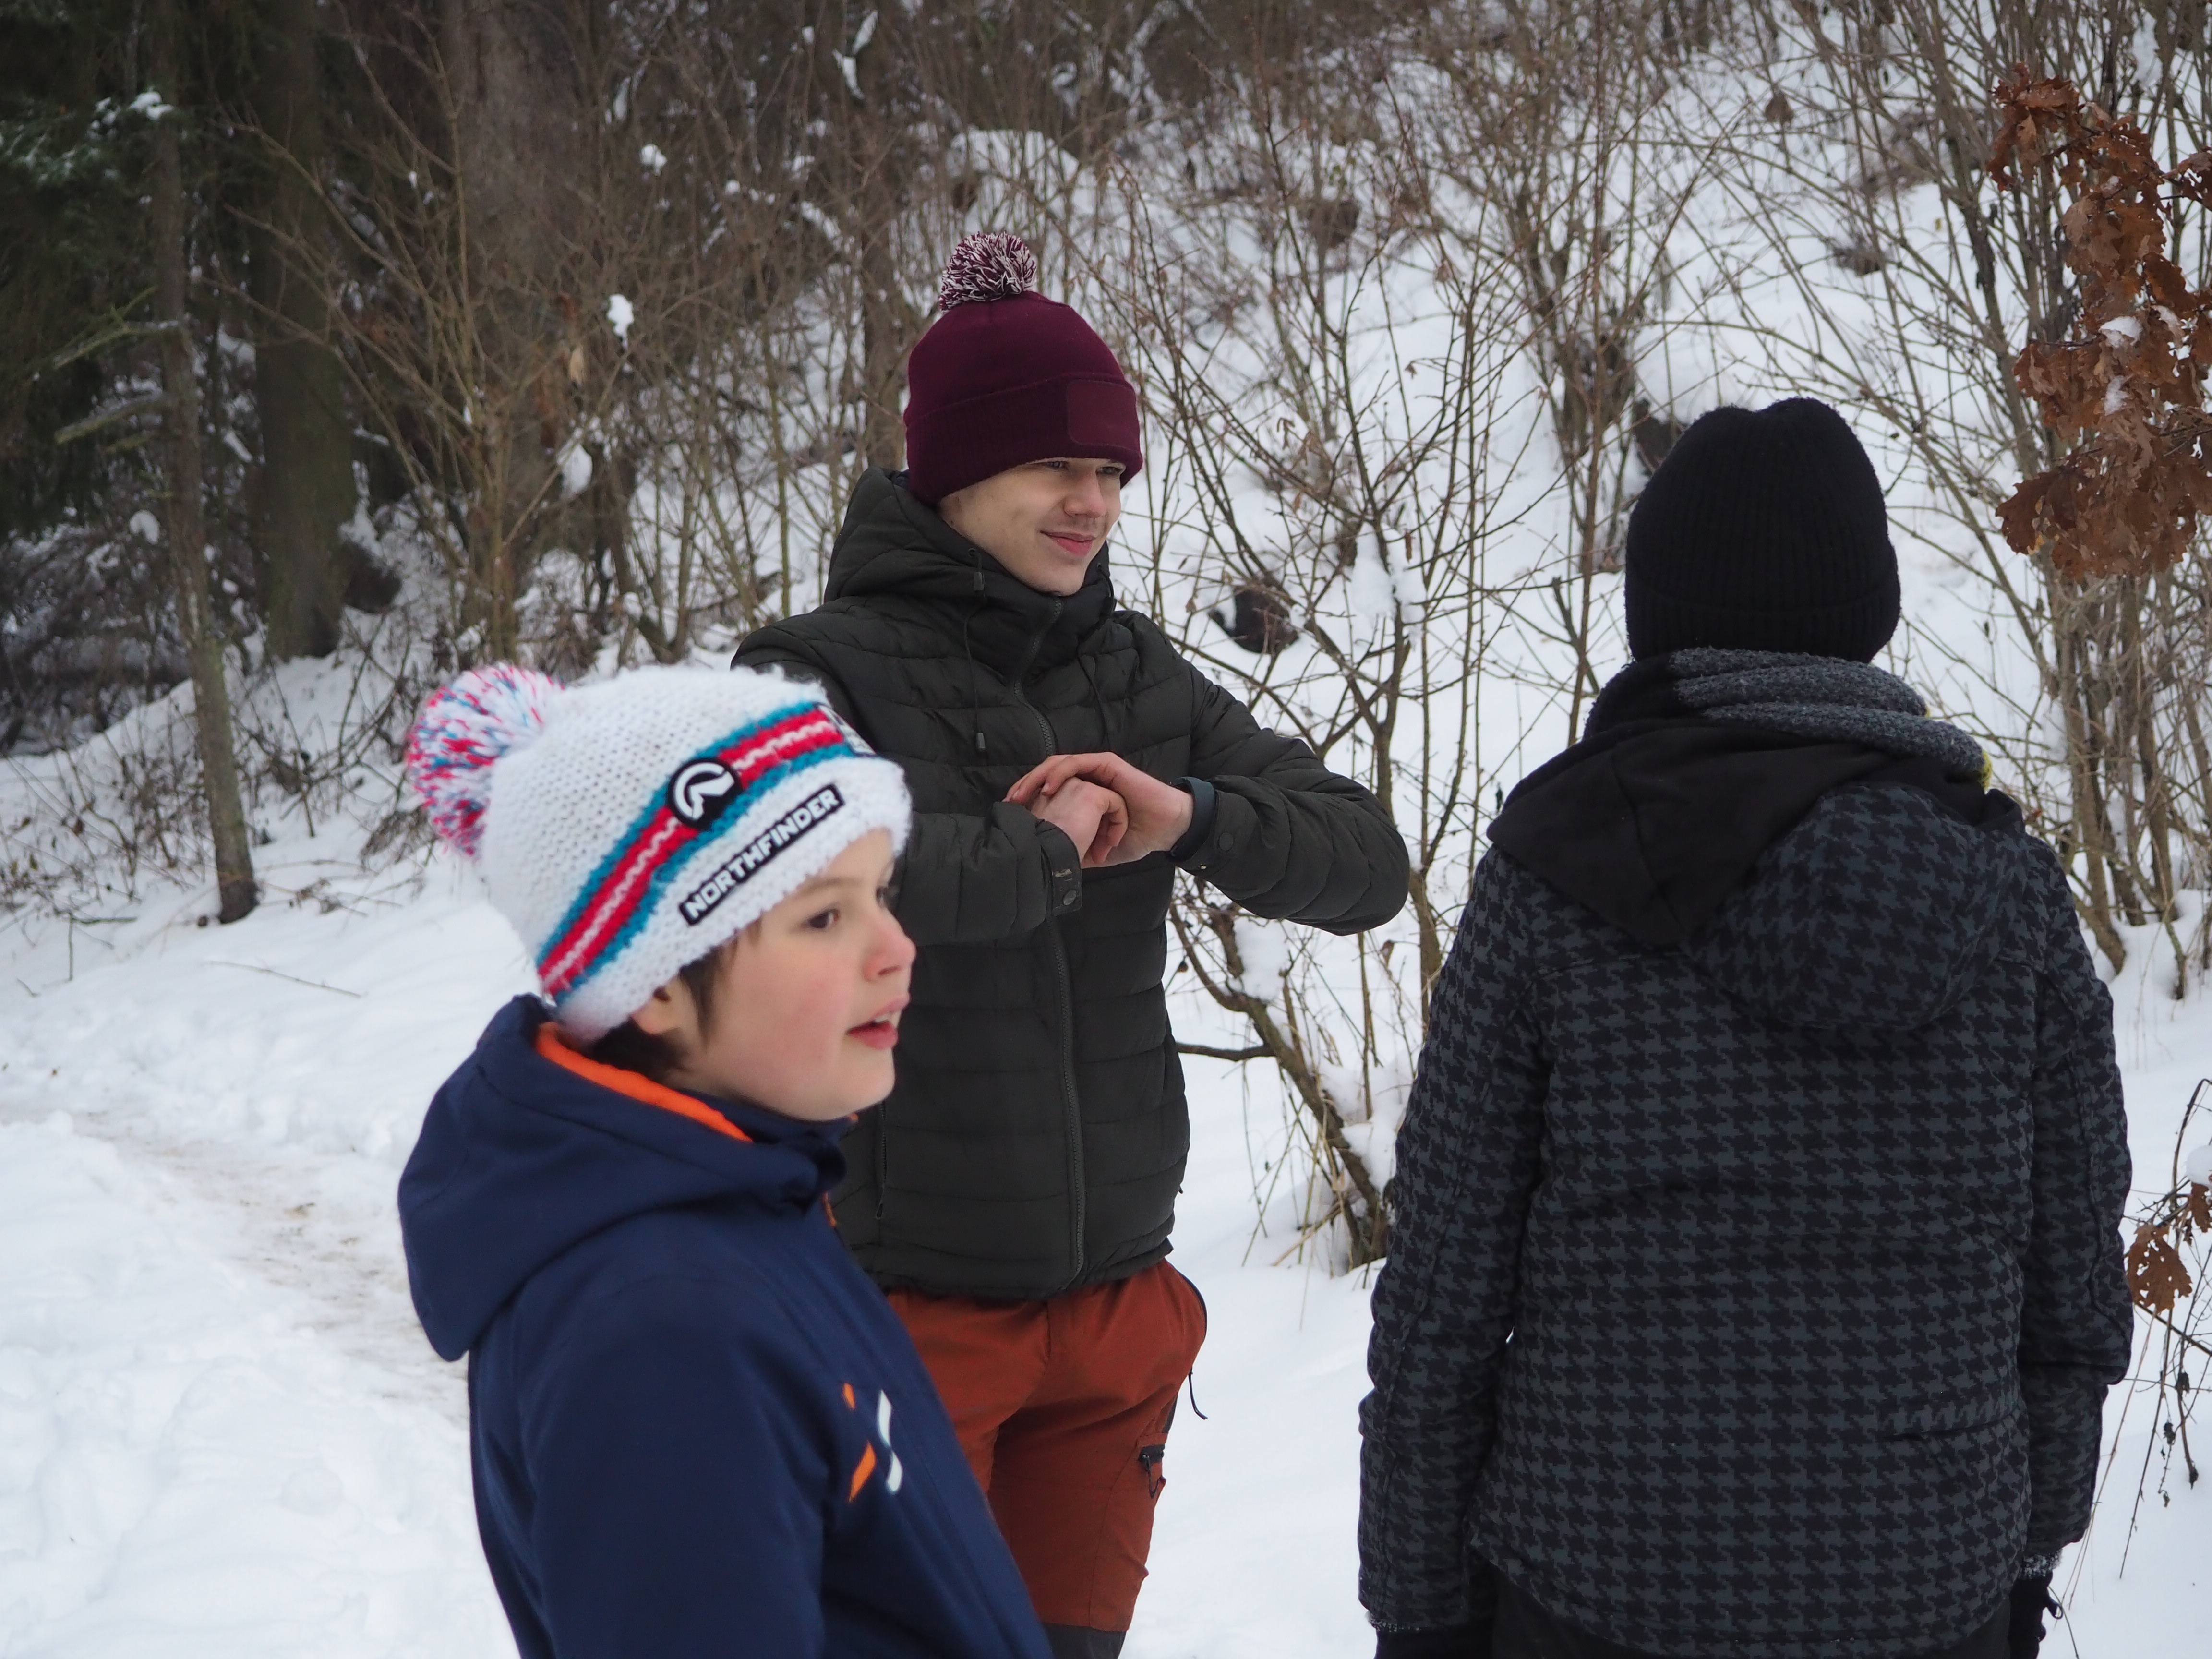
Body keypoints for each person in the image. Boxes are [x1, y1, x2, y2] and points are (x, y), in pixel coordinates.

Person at [1357, 398, 2133, 1659]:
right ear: (1869, 612)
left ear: (1656, 615)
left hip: (1595, 1584)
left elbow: (1442, 1297)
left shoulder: (1554, 868)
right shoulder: (2011, 895)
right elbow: (2075, 1294)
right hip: (1927, 1589)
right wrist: (2020, 1563)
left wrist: (1420, 1609)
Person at [735, 231, 1409, 1657]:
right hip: (899, 1311)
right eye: (1057, 466)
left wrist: (1193, 815)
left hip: (1112, 1313)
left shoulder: (1135, 671)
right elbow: (811, 892)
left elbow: (1367, 863)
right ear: (955, 471)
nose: (1093, 502)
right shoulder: (808, 674)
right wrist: (1044, 851)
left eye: (1111, 471)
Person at [395, 662, 1050, 1659]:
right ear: (655, 986)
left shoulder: (753, 1197)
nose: (897, 948)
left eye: (880, 893)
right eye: (823, 916)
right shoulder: (662, 1330)